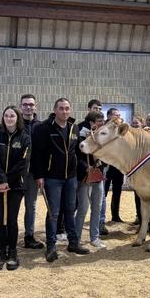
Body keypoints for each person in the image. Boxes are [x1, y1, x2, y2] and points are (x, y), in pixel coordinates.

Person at [32, 97, 90, 262]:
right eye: (61, 108)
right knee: (54, 213)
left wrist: (85, 168)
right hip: (52, 178)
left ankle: (73, 243)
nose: (64, 111)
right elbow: (37, 155)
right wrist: (39, 175)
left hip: (71, 178)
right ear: (55, 110)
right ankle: (51, 246)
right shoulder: (44, 128)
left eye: (67, 108)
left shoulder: (74, 128)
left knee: (70, 210)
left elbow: (75, 153)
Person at [0, 106, 31, 271]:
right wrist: (1, 180)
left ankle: (12, 252)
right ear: (3, 118)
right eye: (6, 115)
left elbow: (23, 164)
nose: (9, 118)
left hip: (16, 186)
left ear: (17, 118)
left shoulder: (25, 138)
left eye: (12, 115)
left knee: (11, 219)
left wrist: (8, 182)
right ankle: (1, 252)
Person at [75, 111, 107, 248]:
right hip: (85, 176)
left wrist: (101, 163)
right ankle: (75, 238)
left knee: (97, 207)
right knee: (83, 208)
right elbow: (76, 155)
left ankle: (94, 237)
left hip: (98, 175)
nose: (101, 123)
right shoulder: (81, 134)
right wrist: (85, 167)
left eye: (102, 120)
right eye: (98, 121)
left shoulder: (103, 137)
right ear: (91, 122)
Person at [19, 94, 44, 250]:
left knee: (31, 206)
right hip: (16, 174)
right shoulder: (14, 123)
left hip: (33, 174)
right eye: (25, 104)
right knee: (11, 207)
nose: (28, 107)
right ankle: (10, 236)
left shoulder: (40, 126)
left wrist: (40, 174)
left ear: (36, 106)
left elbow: (42, 152)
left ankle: (29, 236)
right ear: (21, 106)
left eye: (31, 104)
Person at [102, 108, 125, 224]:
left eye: (119, 115)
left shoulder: (121, 129)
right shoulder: (103, 128)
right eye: (116, 115)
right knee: (103, 192)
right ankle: (101, 217)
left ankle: (115, 215)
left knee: (117, 191)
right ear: (109, 116)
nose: (118, 117)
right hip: (106, 165)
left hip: (118, 165)